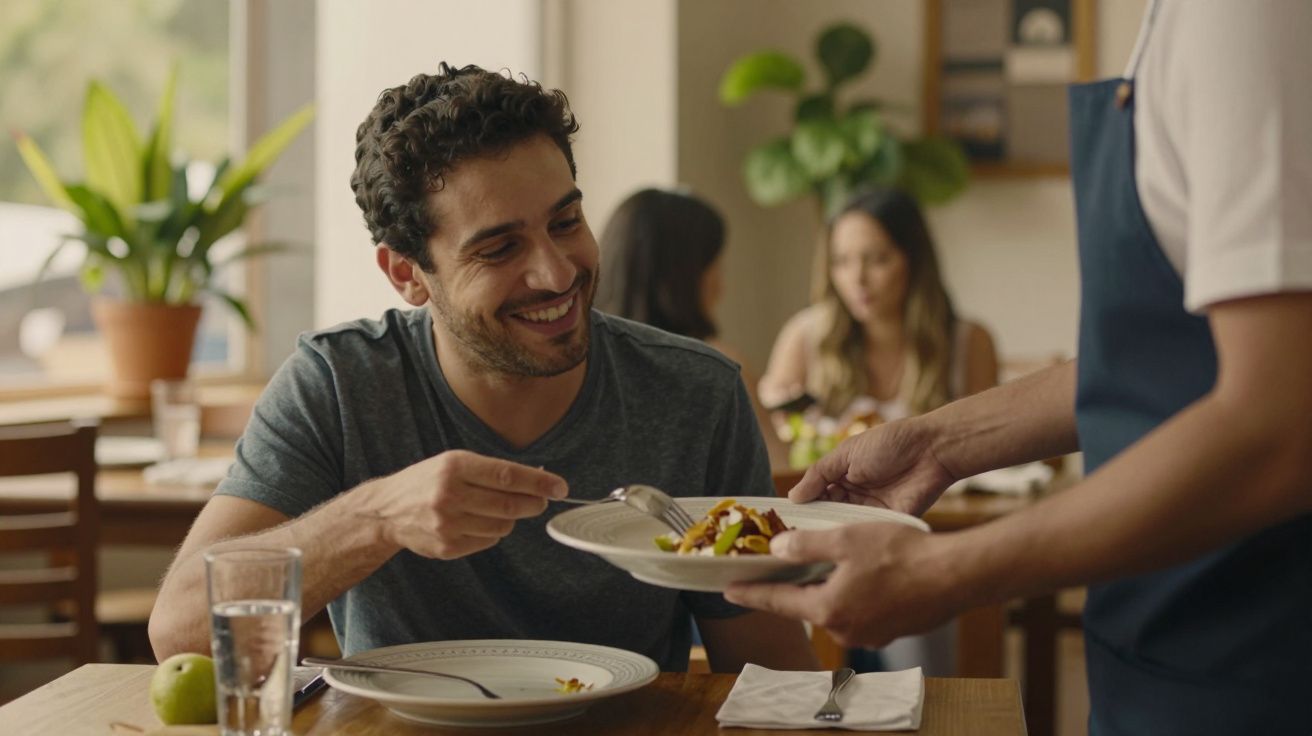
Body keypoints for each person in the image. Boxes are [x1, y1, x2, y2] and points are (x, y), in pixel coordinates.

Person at [726, 2, 1312, 733]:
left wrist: (945, 571)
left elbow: (1279, 422)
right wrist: (936, 444)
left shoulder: (1253, 19)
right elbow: (1162, 364)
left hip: (1250, 657)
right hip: (1158, 641)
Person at [148, 62, 817, 674]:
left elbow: (775, 678)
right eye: (499, 248)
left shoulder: (695, 393)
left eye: (567, 221)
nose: (557, 273)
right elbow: (181, 628)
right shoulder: (340, 384)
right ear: (407, 274)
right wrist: (375, 518)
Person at [758, 187, 998, 430]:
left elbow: (989, 449)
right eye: (841, 261)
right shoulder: (804, 337)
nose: (857, 279)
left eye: (877, 259)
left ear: (914, 261)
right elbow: (776, 449)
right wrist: (774, 413)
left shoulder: (969, 343)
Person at [595, 187, 788, 468]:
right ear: (686, 278)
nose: (722, 286)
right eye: (717, 267)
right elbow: (777, 471)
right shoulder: (715, 366)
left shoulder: (580, 367)